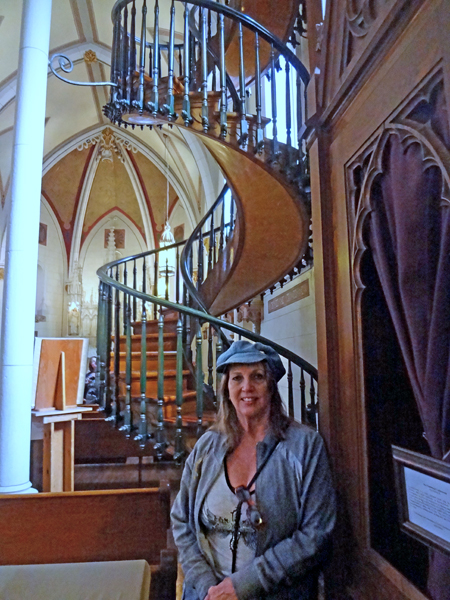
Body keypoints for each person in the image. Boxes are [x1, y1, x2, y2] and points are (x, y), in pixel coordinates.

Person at [171, 340, 336, 600]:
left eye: (257, 377)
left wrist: (246, 584)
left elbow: (315, 534)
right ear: (227, 389)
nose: (246, 387)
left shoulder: (305, 446)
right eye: (237, 378)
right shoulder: (207, 447)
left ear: (271, 386)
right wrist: (208, 588)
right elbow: (181, 520)